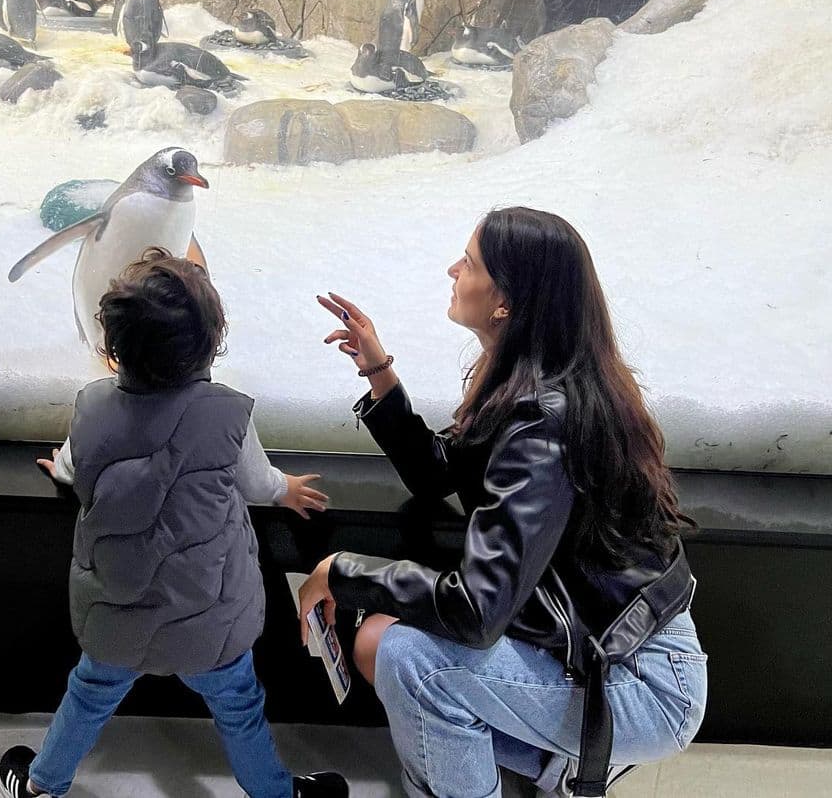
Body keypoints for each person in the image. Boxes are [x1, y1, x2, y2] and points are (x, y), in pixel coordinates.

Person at [298, 207, 707, 798]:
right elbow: (436, 473)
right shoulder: (531, 382)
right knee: (378, 640)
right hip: (595, 646)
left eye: (469, 262)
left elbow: (477, 611)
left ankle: (547, 767)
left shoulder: (544, 422)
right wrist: (379, 373)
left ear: (506, 302)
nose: (452, 269)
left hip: (637, 679)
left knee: (414, 659)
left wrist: (342, 572)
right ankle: (551, 771)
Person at [0, 247, 347, 798]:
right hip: (208, 619)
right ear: (210, 343)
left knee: (89, 693)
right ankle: (276, 794)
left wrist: (61, 470)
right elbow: (257, 484)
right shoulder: (228, 413)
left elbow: (70, 464)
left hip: (117, 614)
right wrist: (288, 490)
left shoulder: (90, 406)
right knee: (239, 707)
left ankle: (43, 786)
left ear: (113, 346)